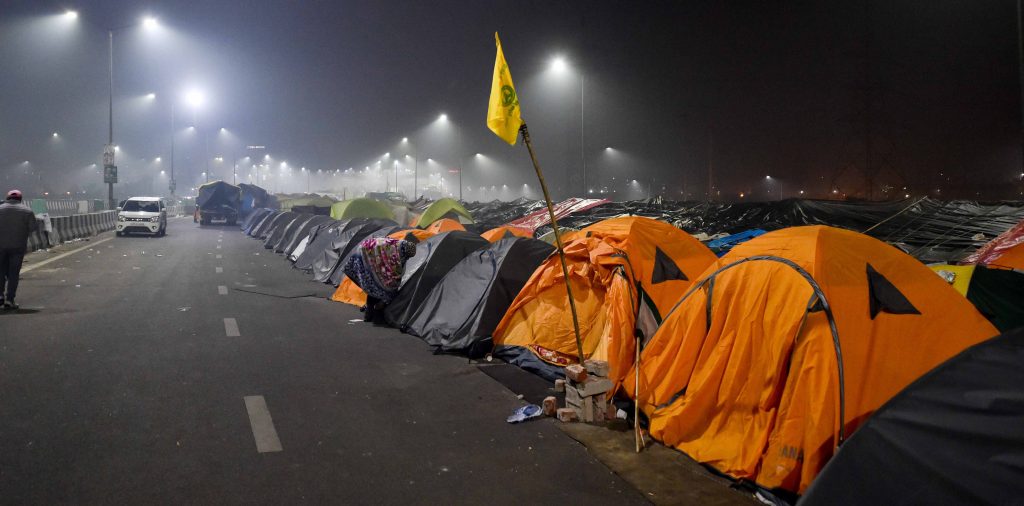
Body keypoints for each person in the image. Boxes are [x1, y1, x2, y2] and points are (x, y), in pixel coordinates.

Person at [342, 235, 418, 323]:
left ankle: (370, 314)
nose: (407, 258)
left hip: (367, 250)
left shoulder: (397, 245)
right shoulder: (394, 251)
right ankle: (374, 313)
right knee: (379, 285)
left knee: (374, 285)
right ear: (404, 250)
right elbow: (392, 271)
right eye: (407, 256)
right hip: (366, 253)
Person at [0, 189, 39, 310]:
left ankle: (0, 296)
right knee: (13, 274)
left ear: (7, 198)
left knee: (0, 272)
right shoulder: (27, 211)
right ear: (20, 199)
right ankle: (10, 299)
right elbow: (33, 228)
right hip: (17, 247)